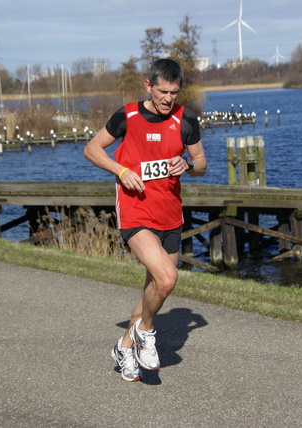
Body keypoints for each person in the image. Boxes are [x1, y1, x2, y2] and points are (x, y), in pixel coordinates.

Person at [83, 58, 207, 382]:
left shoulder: (186, 119)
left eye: (174, 93)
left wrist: (187, 166)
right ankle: (146, 331)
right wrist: (121, 171)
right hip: (135, 209)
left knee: (155, 286)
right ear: (148, 85)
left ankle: (125, 345)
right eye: (163, 91)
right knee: (166, 279)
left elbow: (202, 163)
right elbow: (92, 149)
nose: (168, 99)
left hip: (170, 214)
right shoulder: (128, 115)